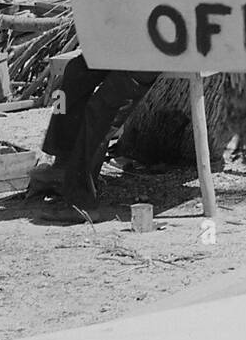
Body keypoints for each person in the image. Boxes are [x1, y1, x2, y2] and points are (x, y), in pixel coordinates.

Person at [34, 54, 158, 220]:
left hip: (152, 55)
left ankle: (81, 202)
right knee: (74, 72)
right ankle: (63, 162)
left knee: (100, 111)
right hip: (125, 48)